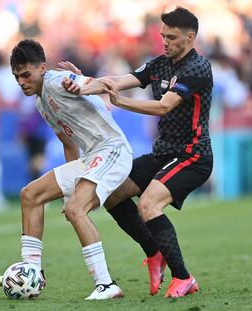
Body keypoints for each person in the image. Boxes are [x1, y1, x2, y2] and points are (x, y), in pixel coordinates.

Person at [61, 7, 213, 298]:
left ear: (190, 37)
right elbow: (117, 81)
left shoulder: (197, 68)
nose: (165, 42)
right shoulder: (159, 65)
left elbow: (164, 106)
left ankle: (184, 278)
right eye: (162, 36)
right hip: (163, 153)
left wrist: (119, 102)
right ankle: (154, 253)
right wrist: (80, 83)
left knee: (148, 205)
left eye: (171, 37)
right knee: (113, 193)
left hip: (192, 156)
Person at [0, 39, 132, 300]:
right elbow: (68, 143)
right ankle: (31, 271)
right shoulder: (40, 103)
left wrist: (82, 84)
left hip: (113, 150)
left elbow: (101, 85)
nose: (22, 81)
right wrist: (70, 187)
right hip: (91, 157)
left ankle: (106, 285)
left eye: (26, 74)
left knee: (75, 209)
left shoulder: (59, 81)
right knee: (30, 195)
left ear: (42, 68)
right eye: (16, 77)